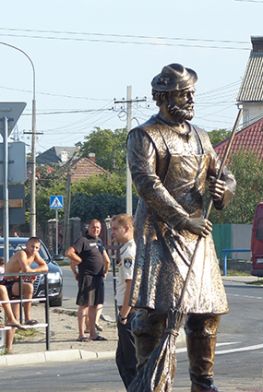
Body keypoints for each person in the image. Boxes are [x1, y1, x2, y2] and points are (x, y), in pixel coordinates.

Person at [127, 63, 236, 392]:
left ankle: (203, 383)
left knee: (206, 313)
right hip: (161, 234)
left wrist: (224, 189)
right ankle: (151, 379)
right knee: (156, 314)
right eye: (183, 93)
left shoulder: (201, 136)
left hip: (197, 236)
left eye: (192, 93)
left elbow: (224, 173)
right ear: (164, 97)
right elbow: (147, 184)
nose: (190, 98)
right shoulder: (144, 136)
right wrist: (181, 218)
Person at [65, 219, 110, 342]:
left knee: (94, 306)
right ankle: (81, 334)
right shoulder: (83, 240)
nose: (95, 230)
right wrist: (78, 262)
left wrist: (105, 271)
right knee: (84, 305)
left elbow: (106, 259)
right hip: (87, 277)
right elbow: (69, 253)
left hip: (98, 277)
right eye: (93, 227)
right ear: (88, 228)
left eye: (98, 228)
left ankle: (93, 334)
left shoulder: (99, 242)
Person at [110, 213, 137, 387]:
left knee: (130, 362)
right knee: (122, 359)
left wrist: (124, 314)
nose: (112, 233)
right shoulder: (127, 248)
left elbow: (130, 285)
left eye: (115, 229)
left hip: (129, 312)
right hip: (128, 310)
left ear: (126, 228)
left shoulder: (129, 252)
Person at [1, 237, 48, 325]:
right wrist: (33, 272)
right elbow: (25, 270)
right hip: (8, 283)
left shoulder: (35, 254)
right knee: (29, 287)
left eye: (37, 248)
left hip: (17, 283)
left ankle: (25, 319)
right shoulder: (21, 253)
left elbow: (45, 267)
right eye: (32, 246)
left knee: (15, 319)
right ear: (26, 246)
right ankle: (27, 318)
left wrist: (33, 271)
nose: (34, 249)